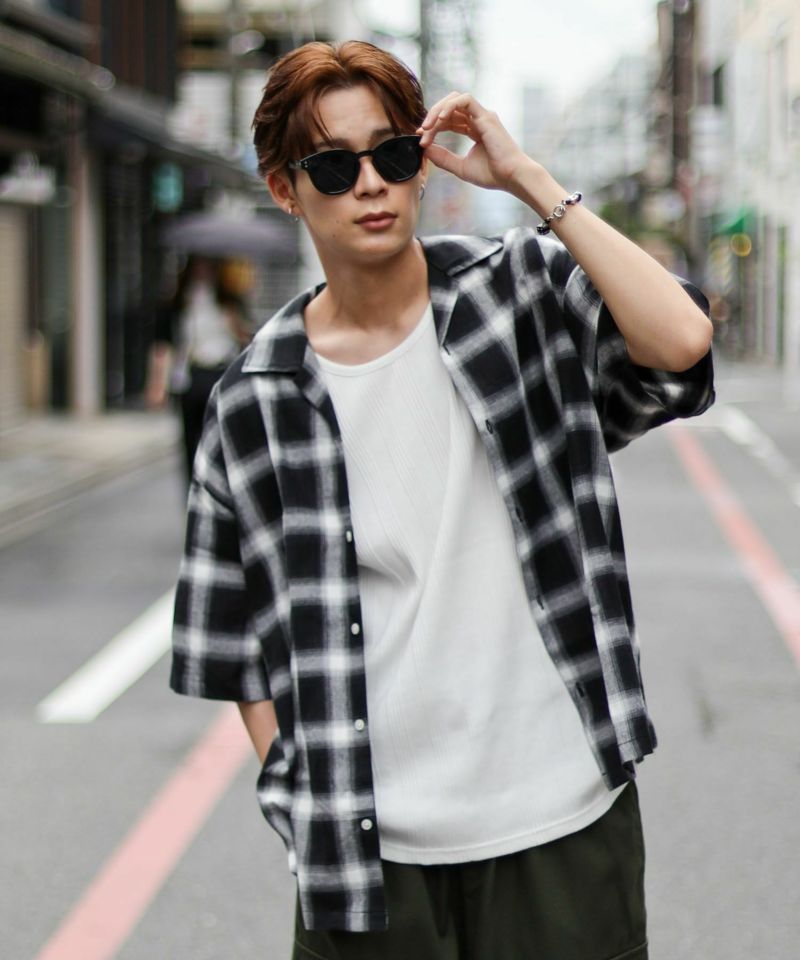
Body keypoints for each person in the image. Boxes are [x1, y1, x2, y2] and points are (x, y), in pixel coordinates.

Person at [170, 40, 714, 960]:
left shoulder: (518, 292)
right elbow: (237, 644)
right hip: (373, 861)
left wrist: (530, 180)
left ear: (422, 163)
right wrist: (308, 800)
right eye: (333, 167)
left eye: (392, 155)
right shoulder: (256, 396)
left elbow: (681, 344)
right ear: (285, 189)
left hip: (562, 822)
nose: (370, 186)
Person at [146, 255, 250, 486]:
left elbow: (245, 338)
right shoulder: (179, 303)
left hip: (221, 374)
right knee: (190, 438)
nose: (203, 271)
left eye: (208, 265)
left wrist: (234, 320)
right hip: (191, 375)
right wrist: (157, 384)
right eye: (198, 265)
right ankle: (194, 487)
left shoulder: (229, 301)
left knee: (221, 436)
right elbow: (164, 345)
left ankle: (218, 486)